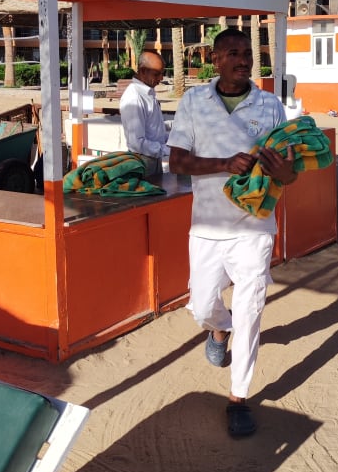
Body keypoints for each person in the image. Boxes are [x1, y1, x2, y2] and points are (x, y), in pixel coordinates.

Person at [168, 28, 297, 438]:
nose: (243, 60)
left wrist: (285, 172)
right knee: (201, 306)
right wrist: (223, 164)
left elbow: (289, 170)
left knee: (250, 310)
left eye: (248, 54)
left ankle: (238, 397)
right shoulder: (194, 102)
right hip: (207, 226)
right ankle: (218, 329)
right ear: (215, 59)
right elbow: (176, 162)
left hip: (254, 227)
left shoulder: (270, 105)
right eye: (234, 53)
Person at [119, 50, 170, 178]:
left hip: (154, 160)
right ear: (142, 71)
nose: (161, 78)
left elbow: (153, 131)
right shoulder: (134, 97)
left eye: (162, 73)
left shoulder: (147, 93)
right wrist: (168, 150)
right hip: (143, 163)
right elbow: (137, 143)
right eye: (156, 74)